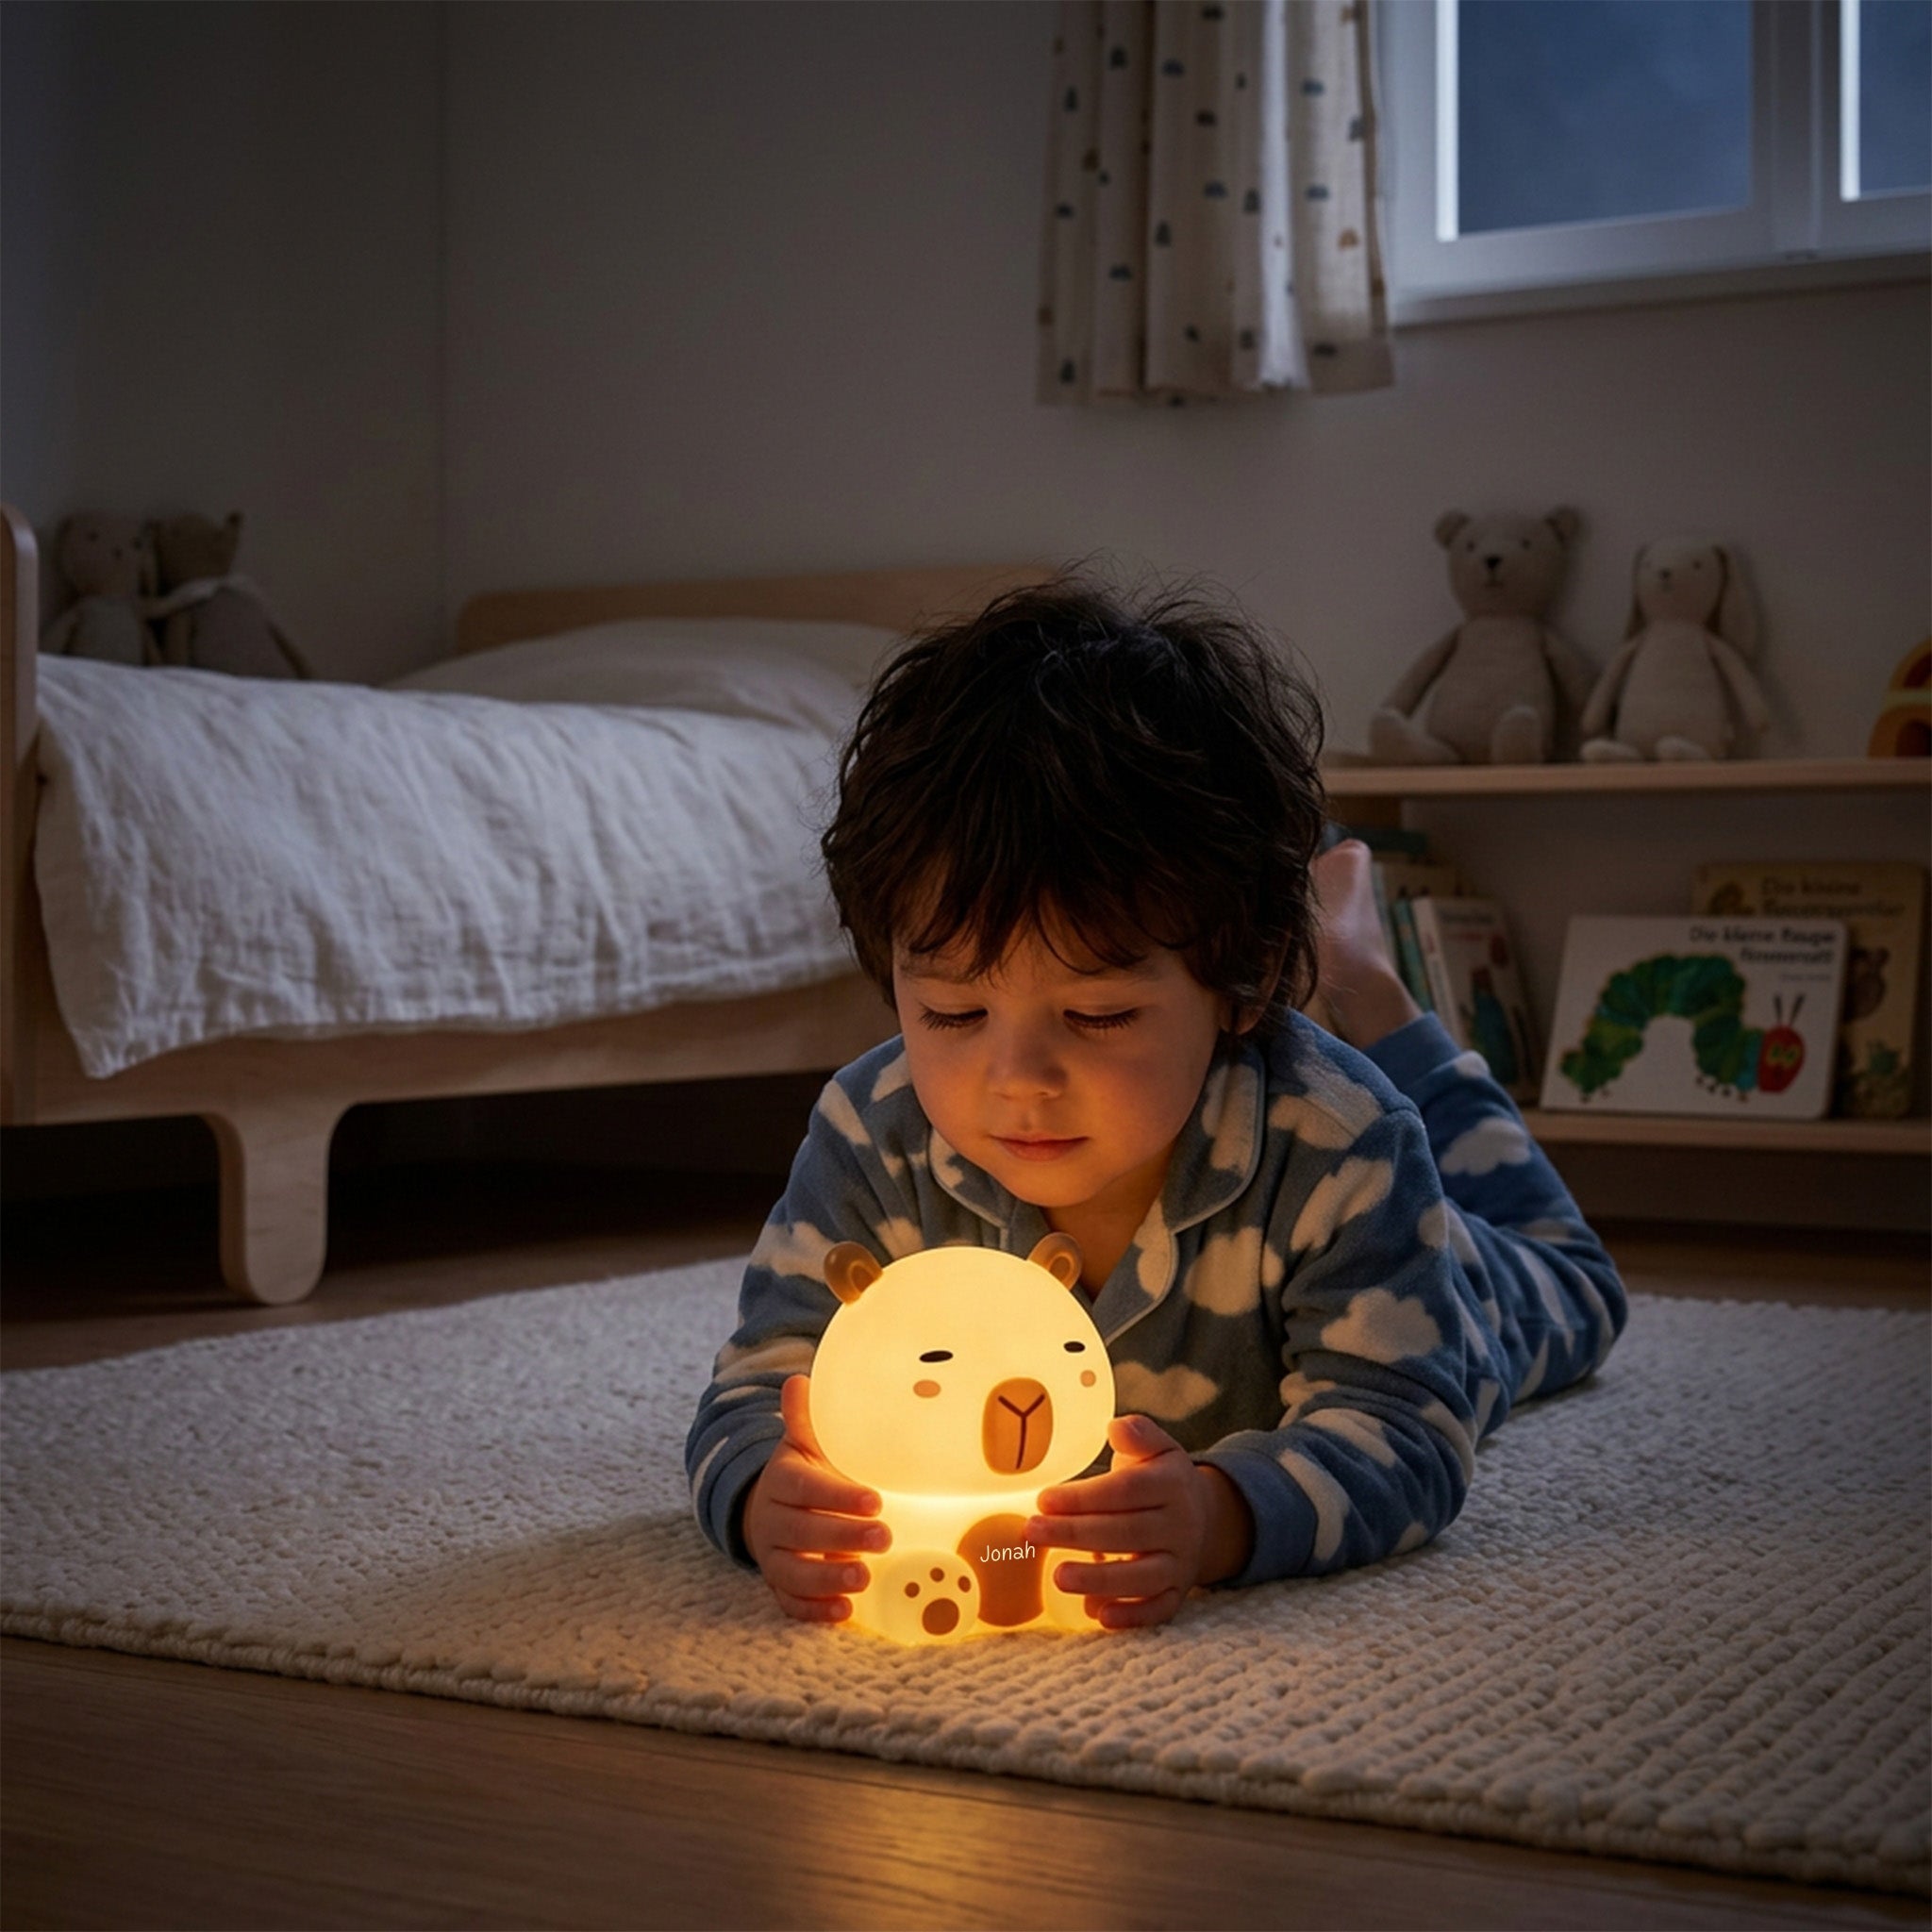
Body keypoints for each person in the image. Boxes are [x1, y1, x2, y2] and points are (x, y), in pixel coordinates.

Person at [684, 573, 1626, 1630]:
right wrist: (766, 1489)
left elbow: (1402, 1429)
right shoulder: (872, 1129)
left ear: (1242, 981)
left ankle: (1364, 982)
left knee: (1576, 1284)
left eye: (1094, 1016)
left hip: (1454, 1273)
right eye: (952, 1011)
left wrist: (1219, 1512)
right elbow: (754, 1386)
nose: (1017, 1077)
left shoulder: (1336, 1141)